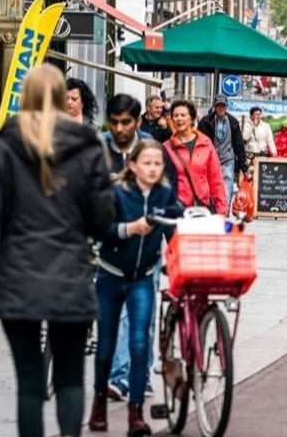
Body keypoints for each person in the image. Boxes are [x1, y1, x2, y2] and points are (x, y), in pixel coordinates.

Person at [0, 64, 114, 437]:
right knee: (71, 376)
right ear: (63, 98)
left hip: (18, 276)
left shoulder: (6, 144)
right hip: (70, 276)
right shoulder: (88, 146)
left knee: (29, 381)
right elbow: (102, 218)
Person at [89, 140, 182, 436]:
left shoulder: (165, 193)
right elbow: (100, 228)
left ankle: (136, 414)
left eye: (158, 164)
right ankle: (99, 402)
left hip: (143, 276)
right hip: (110, 275)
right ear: (132, 166)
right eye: (147, 163)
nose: (153, 168)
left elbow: (173, 227)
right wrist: (130, 228)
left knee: (140, 342)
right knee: (105, 344)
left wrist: (183, 248)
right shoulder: (117, 192)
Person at [100, 94, 177, 401]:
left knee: (141, 317)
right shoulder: (99, 147)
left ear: (137, 120)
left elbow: (169, 195)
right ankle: (120, 378)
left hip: (147, 249)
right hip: (112, 246)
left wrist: (176, 244)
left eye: (126, 122)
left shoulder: (151, 148)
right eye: (115, 121)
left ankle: (141, 375)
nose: (120, 128)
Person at [164, 100, 229, 215]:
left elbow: (216, 178)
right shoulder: (166, 148)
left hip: (202, 208)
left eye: (183, 115)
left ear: (192, 118)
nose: (179, 119)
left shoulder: (205, 143)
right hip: (176, 210)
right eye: (175, 115)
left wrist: (222, 209)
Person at [197, 95, 246, 207]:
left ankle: (225, 214)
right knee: (209, 188)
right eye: (218, 106)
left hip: (227, 160)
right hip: (209, 160)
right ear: (214, 106)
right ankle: (212, 213)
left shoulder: (233, 122)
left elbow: (239, 144)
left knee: (227, 189)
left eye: (223, 106)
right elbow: (198, 141)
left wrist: (244, 167)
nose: (220, 108)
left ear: (226, 107)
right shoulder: (205, 121)